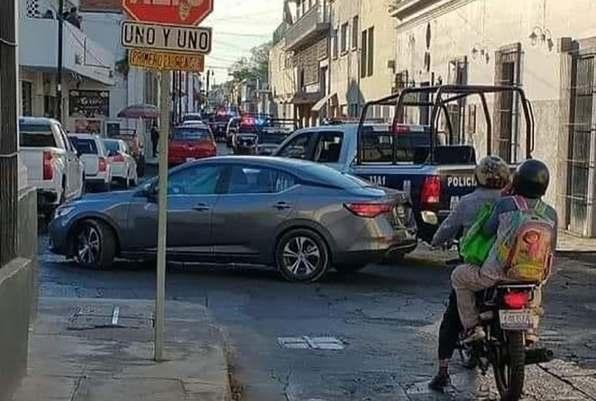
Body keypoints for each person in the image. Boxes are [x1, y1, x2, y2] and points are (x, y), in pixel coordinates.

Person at [451, 159, 557, 344]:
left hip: (498, 272)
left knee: (459, 276)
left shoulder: (505, 204)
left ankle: (472, 326)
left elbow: (487, 230)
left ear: (517, 181)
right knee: (535, 289)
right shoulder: (550, 213)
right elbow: (552, 246)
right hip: (534, 274)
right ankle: (531, 327)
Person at [428, 155, 511, 392]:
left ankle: (443, 371)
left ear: (478, 177)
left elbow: (447, 228)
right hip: (509, 269)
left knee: (452, 317)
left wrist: (435, 242)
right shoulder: (512, 201)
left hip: (477, 268)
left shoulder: (468, 202)